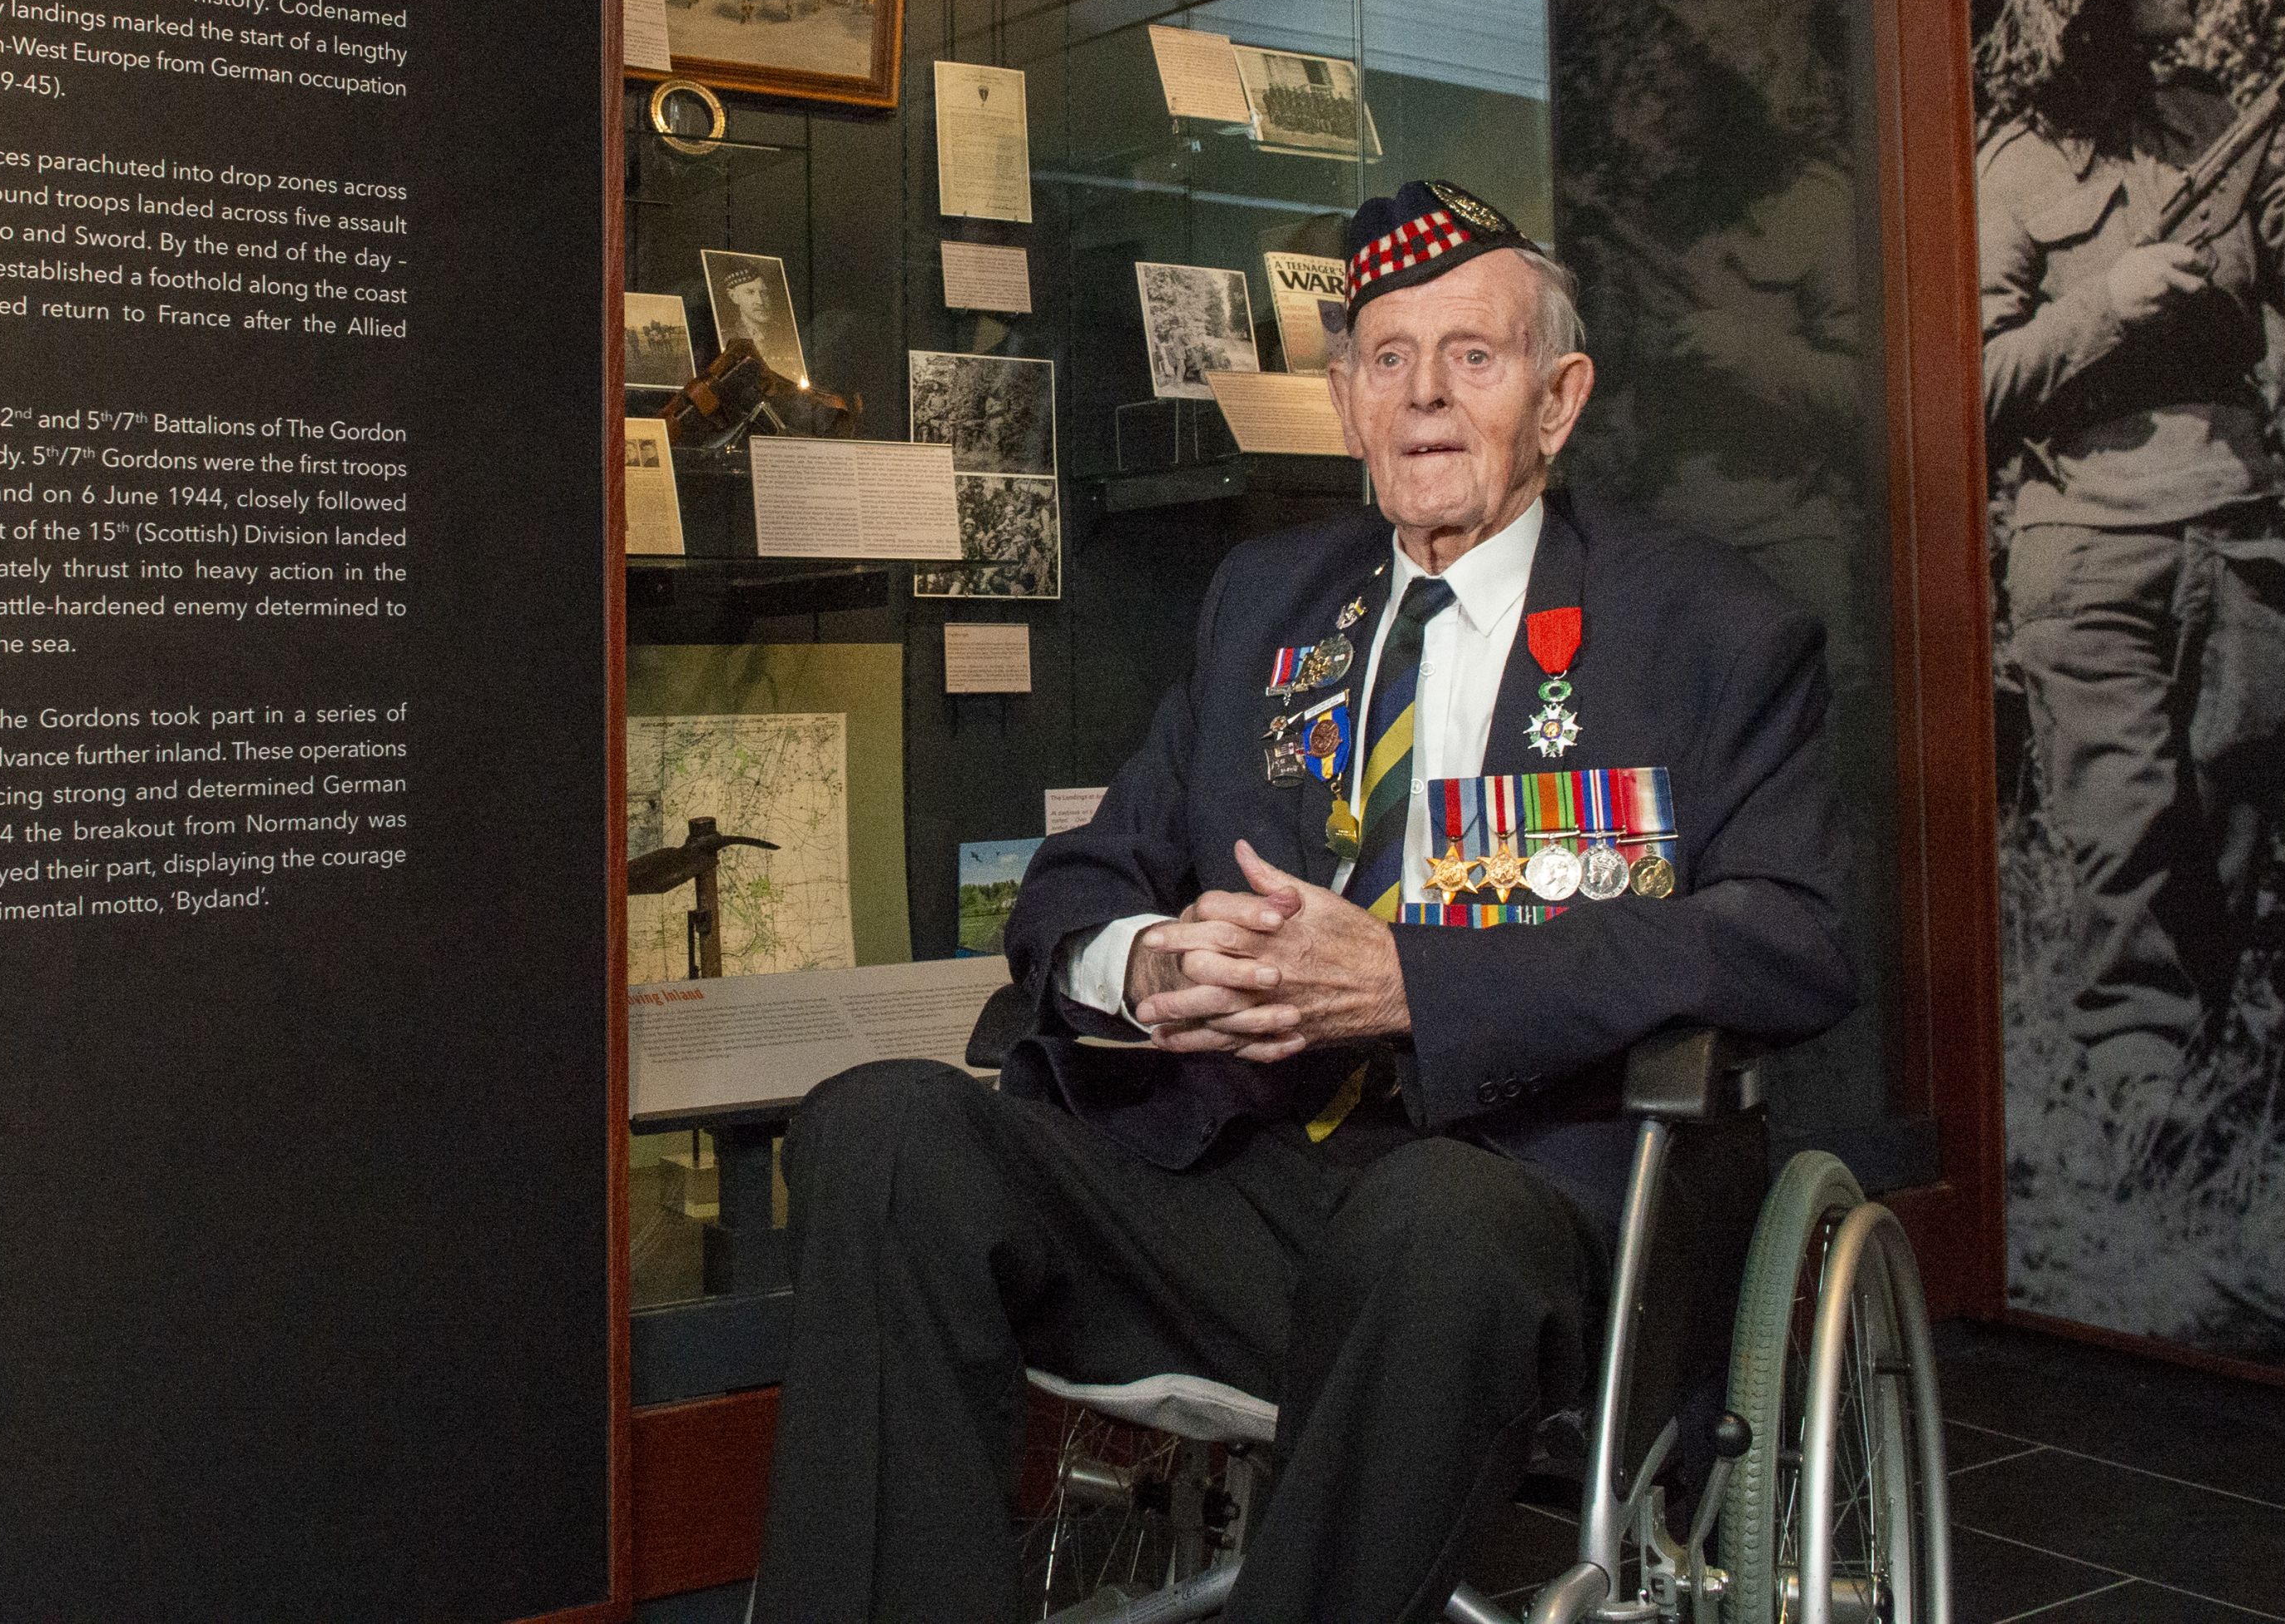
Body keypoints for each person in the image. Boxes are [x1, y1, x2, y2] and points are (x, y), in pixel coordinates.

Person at [753, 180, 1856, 1624]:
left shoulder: (1701, 629)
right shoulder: (1264, 605)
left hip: (1520, 1213)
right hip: (1245, 1190)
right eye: (1388, 361)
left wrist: (1417, 984)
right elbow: (1083, 880)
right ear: (1345, 403)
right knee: (881, 1132)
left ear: (1560, 397)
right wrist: (1144, 963)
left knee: (1431, 1211)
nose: (1425, 398)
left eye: (1475, 356)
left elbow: (1794, 938)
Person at [1979, 0, 2285, 1108]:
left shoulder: (2213, 119)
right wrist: (2110, 301)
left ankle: (2190, 1076)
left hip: (2236, 524)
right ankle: (2142, 1095)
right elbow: (1972, 386)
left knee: (2231, 811)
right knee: (2124, 824)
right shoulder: (2015, 168)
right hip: (2087, 537)